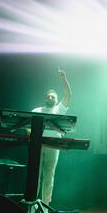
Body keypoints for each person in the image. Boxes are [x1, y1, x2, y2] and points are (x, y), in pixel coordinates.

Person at [31, 69, 72, 205]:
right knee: (34, 175)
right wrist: (31, 140)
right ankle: (32, 205)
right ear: (45, 98)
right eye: (48, 97)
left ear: (56, 99)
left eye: (52, 97)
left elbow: (68, 95)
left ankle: (45, 205)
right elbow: (28, 128)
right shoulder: (36, 110)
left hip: (54, 145)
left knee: (49, 175)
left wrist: (63, 78)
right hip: (38, 144)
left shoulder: (59, 109)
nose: (50, 98)